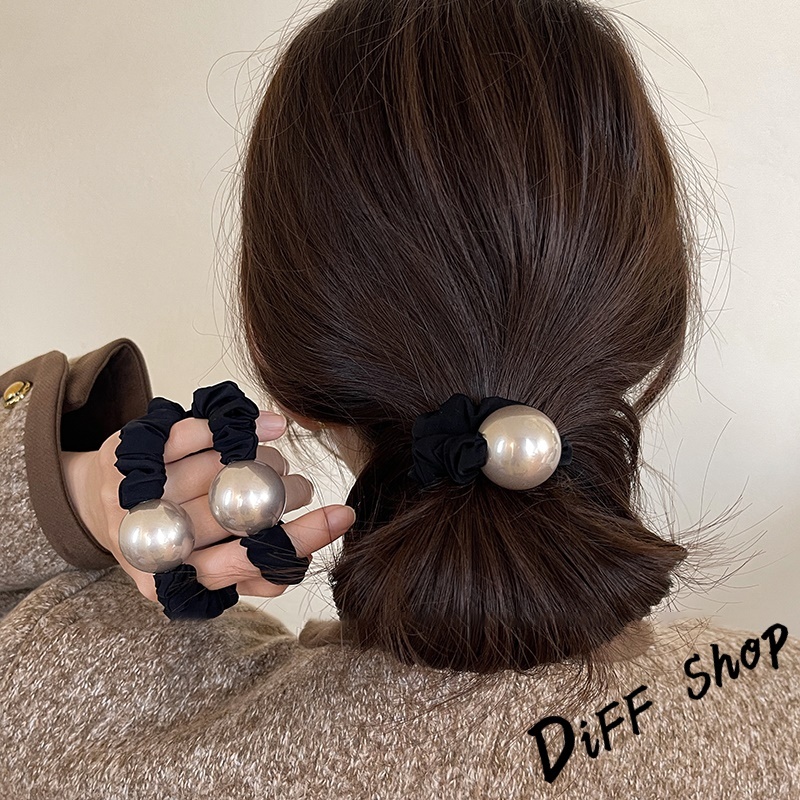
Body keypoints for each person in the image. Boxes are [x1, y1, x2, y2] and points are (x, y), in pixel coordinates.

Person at [1, 0, 797, 797]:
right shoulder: (777, 724)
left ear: (281, 362)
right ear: (649, 327)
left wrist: (75, 490)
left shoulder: (84, 712)